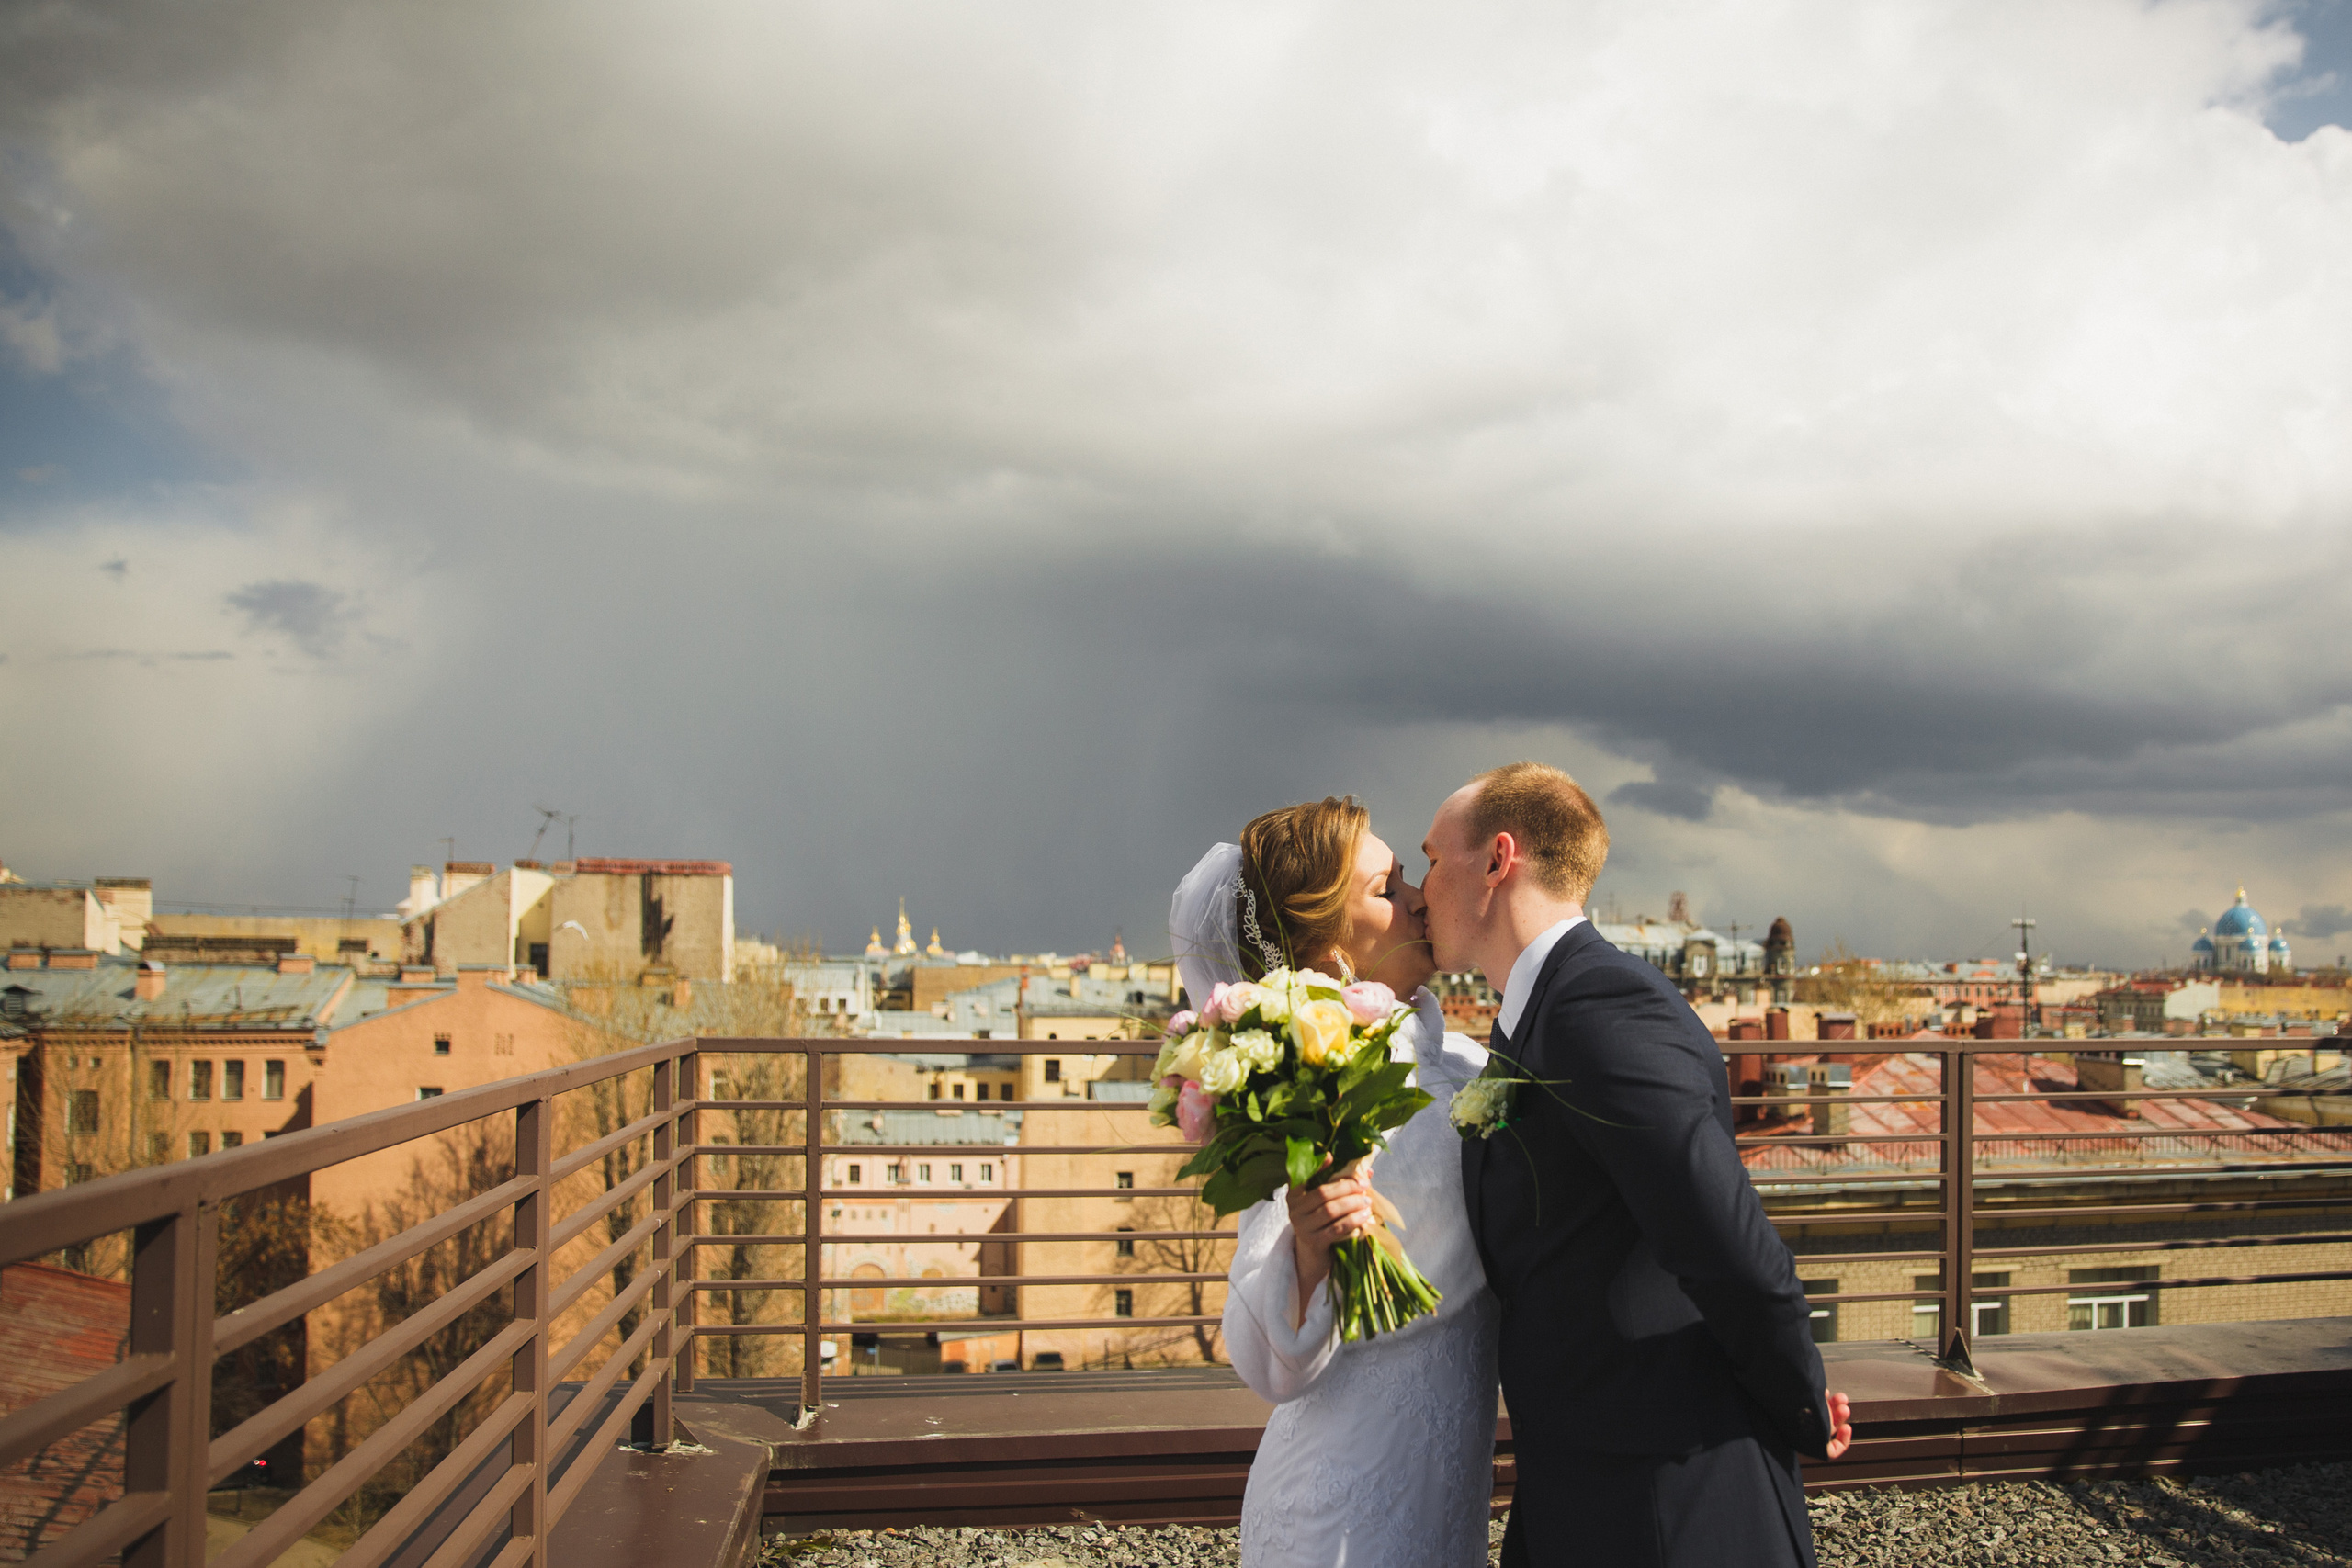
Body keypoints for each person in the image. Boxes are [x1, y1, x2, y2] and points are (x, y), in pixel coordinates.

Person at [1421, 761, 1854, 1568]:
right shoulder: (1542, 1012)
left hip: (1666, 1501)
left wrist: (1799, 1399)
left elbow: (1724, 1237)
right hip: (1589, 1480)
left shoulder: (1598, 1006)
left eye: (1431, 857)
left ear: (1495, 860)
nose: (1419, 890)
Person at [1170, 796, 1499, 1568]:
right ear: (1327, 954)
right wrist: (1311, 1251)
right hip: (1343, 1520)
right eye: (1386, 889)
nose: (1419, 895)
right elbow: (1265, 1360)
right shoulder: (1315, 1092)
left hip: (1441, 1499)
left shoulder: (1466, 1070)